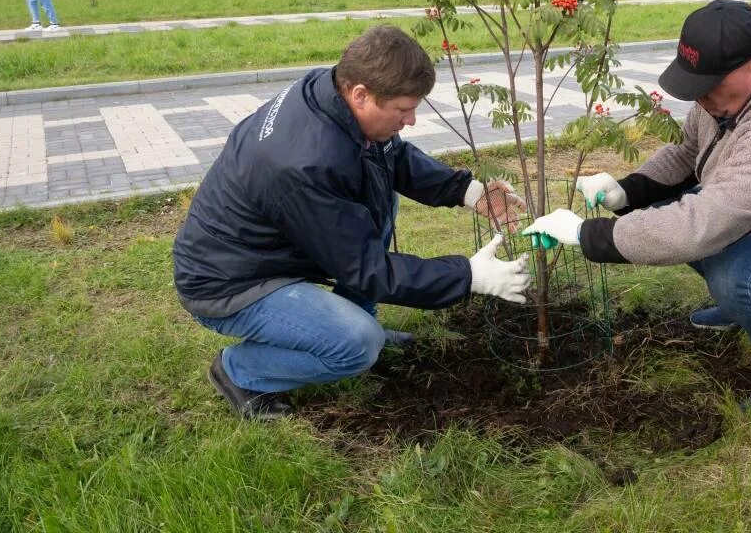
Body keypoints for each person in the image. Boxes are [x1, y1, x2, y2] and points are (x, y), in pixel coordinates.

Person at [523, 0, 751, 421]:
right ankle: (746, 307)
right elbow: (686, 154)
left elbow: (699, 226)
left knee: (740, 275)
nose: (698, 97)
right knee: (666, 215)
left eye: (707, 84)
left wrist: (585, 234)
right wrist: (625, 193)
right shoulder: (727, 98)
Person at [174, 25, 532, 419]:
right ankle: (241, 370)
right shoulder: (303, 164)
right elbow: (366, 269)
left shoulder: (332, 95)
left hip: (268, 247)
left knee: (376, 200)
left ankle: (356, 319)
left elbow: (392, 156)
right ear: (360, 94)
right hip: (229, 282)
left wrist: (469, 191)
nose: (411, 120)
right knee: (356, 344)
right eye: (402, 110)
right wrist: (468, 276)